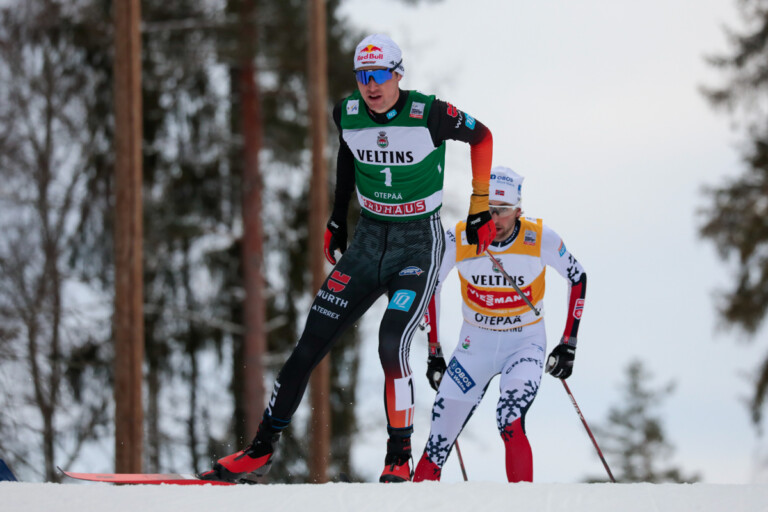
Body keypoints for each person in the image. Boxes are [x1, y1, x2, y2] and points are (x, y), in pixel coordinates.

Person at [200, 33, 496, 484]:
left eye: (379, 76)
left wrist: (478, 207)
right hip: (367, 242)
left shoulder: (429, 113)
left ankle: (398, 457)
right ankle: (260, 450)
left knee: (390, 343)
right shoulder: (348, 112)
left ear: (398, 75)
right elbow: (348, 154)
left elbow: (483, 137)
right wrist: (337, 218)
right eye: (363, 77)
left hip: (418, 243)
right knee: (307, 346)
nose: (371, 86)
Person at [411, 166, 587, 483]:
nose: (495, 218)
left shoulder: (539, 238)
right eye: (488, 209)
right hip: (473, 348)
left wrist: (568, 344)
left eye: (503, 210)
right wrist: (434, 351)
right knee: (439, 437)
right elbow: (430, 286)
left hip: (524, 345)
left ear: (519, 210)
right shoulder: (458, 238)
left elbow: (578, 276)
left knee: (509, 418)